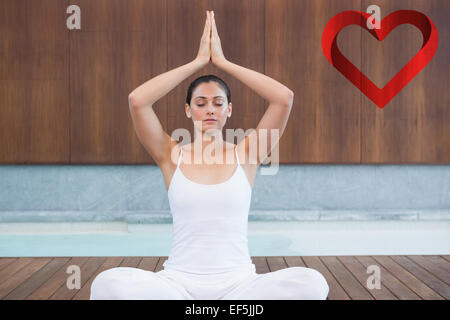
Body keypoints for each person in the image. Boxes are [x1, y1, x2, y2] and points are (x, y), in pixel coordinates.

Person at [90, 10, 329, 300]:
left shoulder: (248, 152)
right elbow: (137, 101)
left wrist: (225, 63)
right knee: (106, 284)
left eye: (218, 103)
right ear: (189, 110)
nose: (210, 110)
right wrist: (197, 63)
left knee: (312, 283)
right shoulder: (170, 154)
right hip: (177, 285)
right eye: (200, 103)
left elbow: (284, 97)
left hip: (240, 286)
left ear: (229, 110)